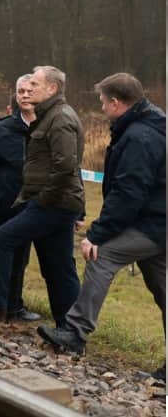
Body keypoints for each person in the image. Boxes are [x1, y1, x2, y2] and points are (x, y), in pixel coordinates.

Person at [37, 73, 165, 381]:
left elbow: (129, 192)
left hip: (153, 222)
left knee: (101, 255)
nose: (102, 108)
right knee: (163, 286)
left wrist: (98, 234)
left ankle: (75, 333)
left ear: (117, 103)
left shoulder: (138, 137)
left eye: (103, 103)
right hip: (157, 220)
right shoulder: (150, 125)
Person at [0, 66, 84, 325]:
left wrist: (42, 198)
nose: (29, 88)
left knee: (2, 239)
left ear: (52, 88)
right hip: (53, 202)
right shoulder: (48, 115)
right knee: (57, 266)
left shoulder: (60, 118)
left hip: (53, 204)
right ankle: (68, 327)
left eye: (35, 84)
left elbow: (66, 166)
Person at [0, 76, 42, 322]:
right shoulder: (1, 129)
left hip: (35, 204)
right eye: (20, 91)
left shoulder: (49, 127)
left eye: (29, 91)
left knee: (22, 257)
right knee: (1, 253)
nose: (25, 95)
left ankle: (15, 304)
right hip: (5, 202)